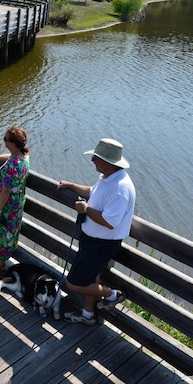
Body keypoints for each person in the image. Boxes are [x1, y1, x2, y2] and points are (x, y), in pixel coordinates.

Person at [57, 138, 136, 325]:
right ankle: (88, 315)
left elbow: (110, 222)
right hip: (92, 240)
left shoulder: (120, 188)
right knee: (92, 278)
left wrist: (85, 210)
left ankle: (113, 295)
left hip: (101, 244)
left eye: (96, 157)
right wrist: (70, 185)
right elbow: (92, 192)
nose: (92, 160)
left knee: (73, 283)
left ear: (108, 162)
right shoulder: (107, 178)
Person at [0, 126, 30, 271]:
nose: (4, 142)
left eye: (6, 140)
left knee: (3, 233)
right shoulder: (23, 157)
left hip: (6, 206)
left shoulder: (14, 166)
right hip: (16, 205)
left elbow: (6, 190)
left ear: (13, 144)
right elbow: (11, 157)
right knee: (8, 233)